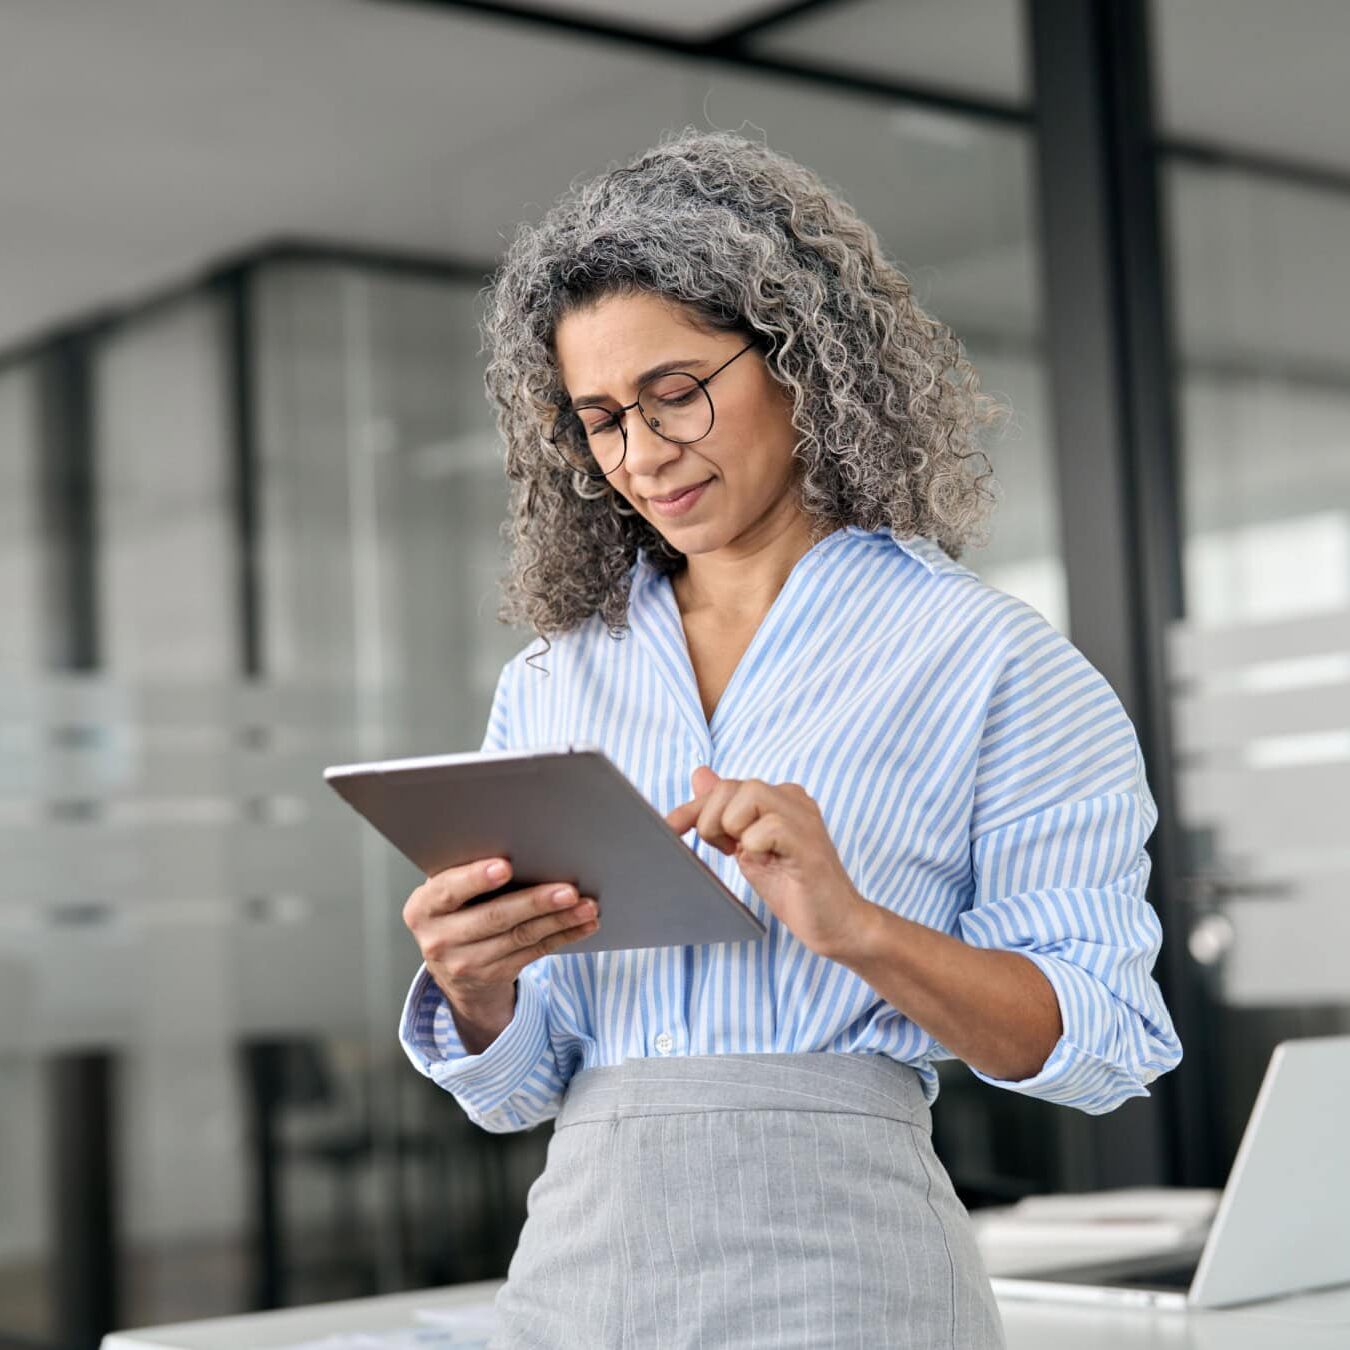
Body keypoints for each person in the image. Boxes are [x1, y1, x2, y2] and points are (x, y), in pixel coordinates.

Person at [398, 128, 1183, 1349]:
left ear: (803, 364)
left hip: (851, 1279)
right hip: (578, 1278)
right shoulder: (556, 682)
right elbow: (527, 1089)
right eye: (599, 418)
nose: (643, 454)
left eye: (676, 393)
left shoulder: (990, 662)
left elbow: (1106, 1042)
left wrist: (859, 930)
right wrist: (481, 986)